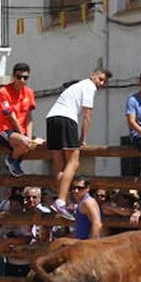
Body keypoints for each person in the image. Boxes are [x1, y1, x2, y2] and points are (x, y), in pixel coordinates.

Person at [45, 69, 111, 219]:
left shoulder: (76, 87)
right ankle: (61, 201)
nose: (101, 84)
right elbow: (87, 116)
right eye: (100, 79)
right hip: (67, 119)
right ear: (92, 75)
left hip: (51, 118)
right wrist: (82, 138)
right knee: (74, 162)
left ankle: (62, 199)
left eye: (104, 82)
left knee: (58, 162)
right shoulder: (89, 87)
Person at [0, 62, 44, 177]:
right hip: (6, 130)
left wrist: (28, 136)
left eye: (25, 77)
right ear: (13, 76)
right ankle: (13, 159)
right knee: (25, 143)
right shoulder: (3, 92)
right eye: (19, 77)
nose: (22, 80)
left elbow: (28, 117)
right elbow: (11, 116)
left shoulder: (29, 92)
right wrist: (24, 137)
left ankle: (15, 159)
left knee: (44, 144)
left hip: (22, 132)